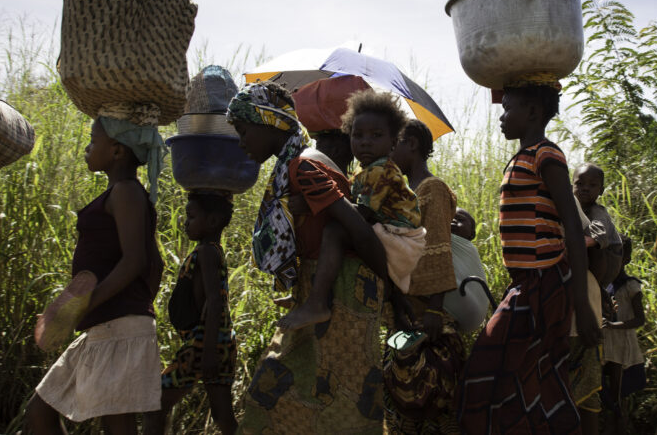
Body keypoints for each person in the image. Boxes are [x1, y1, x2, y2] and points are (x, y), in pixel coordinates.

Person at [228, 82, 401, 434]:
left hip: (344, 294)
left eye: (244, 131)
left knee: (341, 398)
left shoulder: (303, 167)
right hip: (326, 289)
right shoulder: (296, 165)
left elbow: (357, 230)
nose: (241, 141)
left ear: (267, 123)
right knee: (308, 396)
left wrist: (396, 295)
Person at [457, 83, 599, 434]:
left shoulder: (545, 155)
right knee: (528, 379)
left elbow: (570, 224)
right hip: (527, 284)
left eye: (507, 109)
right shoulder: (523, 157)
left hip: (545, 282)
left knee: (489, 372)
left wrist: (581, 303)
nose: (501, 118)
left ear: (533, 112)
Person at [26, 117, 165, 434]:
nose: (87, 147)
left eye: (93, 140)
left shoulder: (127, 192)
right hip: (107, 326)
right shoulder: (120, 193)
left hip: (118, 328)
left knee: (117, 425)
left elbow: (136, 261)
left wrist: (83, 306)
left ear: (116, 150)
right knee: (41, 411)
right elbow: (156, 264)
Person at [278, 90, 425, 331]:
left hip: (402, 242)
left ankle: (316, 303)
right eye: (358, 135)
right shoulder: (364, 170)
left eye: (376, 135)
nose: (365, 141)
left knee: (336, 230)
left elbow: (360, 215)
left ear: (393, 143)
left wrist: (312, 203)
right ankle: (306, 292)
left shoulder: (382, 171)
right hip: (387, 233)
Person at [385, 119, 463, 434]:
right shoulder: (406, 193)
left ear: (413, 144)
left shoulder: (432, 189)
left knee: (431, 394)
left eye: (394, 144)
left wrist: (434, 307)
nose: (389, 152)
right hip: (405, 310)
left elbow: (438, 250)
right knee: (405, 392)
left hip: (427, 313)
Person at [145, 193, 237, 435]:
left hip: (203, 344)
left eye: (192, 216)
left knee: (155, 404)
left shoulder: (207, 252)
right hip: (221, 342)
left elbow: (216, 301)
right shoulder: (210, 251)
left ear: (213, 221)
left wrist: (206, 352)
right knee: (223, 414)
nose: (185, 222)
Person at [570, 162, 623, 433]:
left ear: (601, 190)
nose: (584, 189)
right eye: (579, 184)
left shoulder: (596, 212)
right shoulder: (576, 210)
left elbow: (599, 239)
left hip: (608, 259)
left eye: (591, 185)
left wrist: (569, 241)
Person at [601, 237, 645, 434]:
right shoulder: (604, 285)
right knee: (604, 393)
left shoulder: (630, 286)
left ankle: (620, 426)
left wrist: (614, 325)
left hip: (621, 345)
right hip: (606, 344)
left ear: (626, 259)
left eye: (618, 255)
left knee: (618, 394)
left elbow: (639, 320)